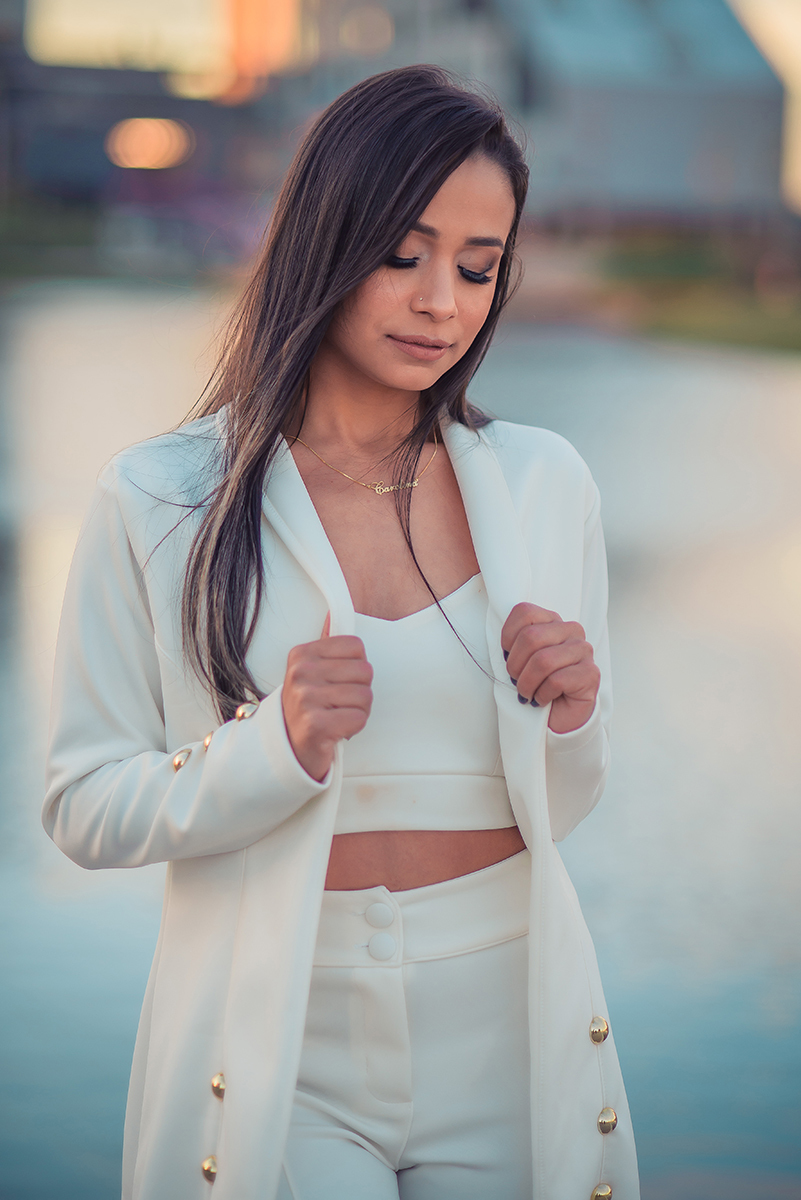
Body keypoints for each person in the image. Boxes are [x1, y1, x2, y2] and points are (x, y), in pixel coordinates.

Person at [44, 65, 639, 1200]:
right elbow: (82, 803)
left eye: (478, 267)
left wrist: (575, 720)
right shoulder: (164, 498)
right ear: (325, 238)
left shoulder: (544, 484)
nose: (441, 304)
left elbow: (560, 803)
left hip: (506, 1016)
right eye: (402, 255)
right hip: (286, 1027)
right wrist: (276, 747)